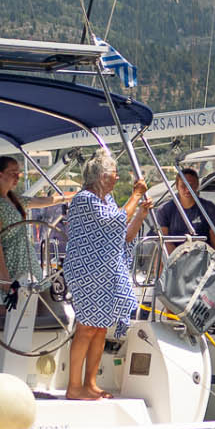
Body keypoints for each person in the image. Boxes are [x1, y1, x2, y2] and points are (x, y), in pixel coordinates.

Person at [63, 149, 150, 400]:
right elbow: (115, 221)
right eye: (114, 174)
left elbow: (124, 233)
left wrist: (141, 213)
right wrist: (135, 195)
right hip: (87, 271)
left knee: (100, 328)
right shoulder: (85, 199)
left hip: (103, 272)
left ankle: (90, 383)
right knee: (86, 327)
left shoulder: (107, 201)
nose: (117, 178)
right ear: (101, 176)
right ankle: (73, 386)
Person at [0, 156, 70, 302]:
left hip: (28, 261)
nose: (17, 177)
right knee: (16, 310)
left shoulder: (14, 199)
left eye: (18, 173)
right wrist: (5, 277)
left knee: (40, 304)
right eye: (13, 173)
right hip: (11, 264)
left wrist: (69, 197)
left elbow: (43, 201)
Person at [155, 168, 215, 250]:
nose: (187, 190)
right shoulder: (164, 210)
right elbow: (166, 242)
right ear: (177, 186)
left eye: (191, 185)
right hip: (173, 258)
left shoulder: (210, 209)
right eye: (183, 186)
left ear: (197, 185)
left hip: (202, 257)